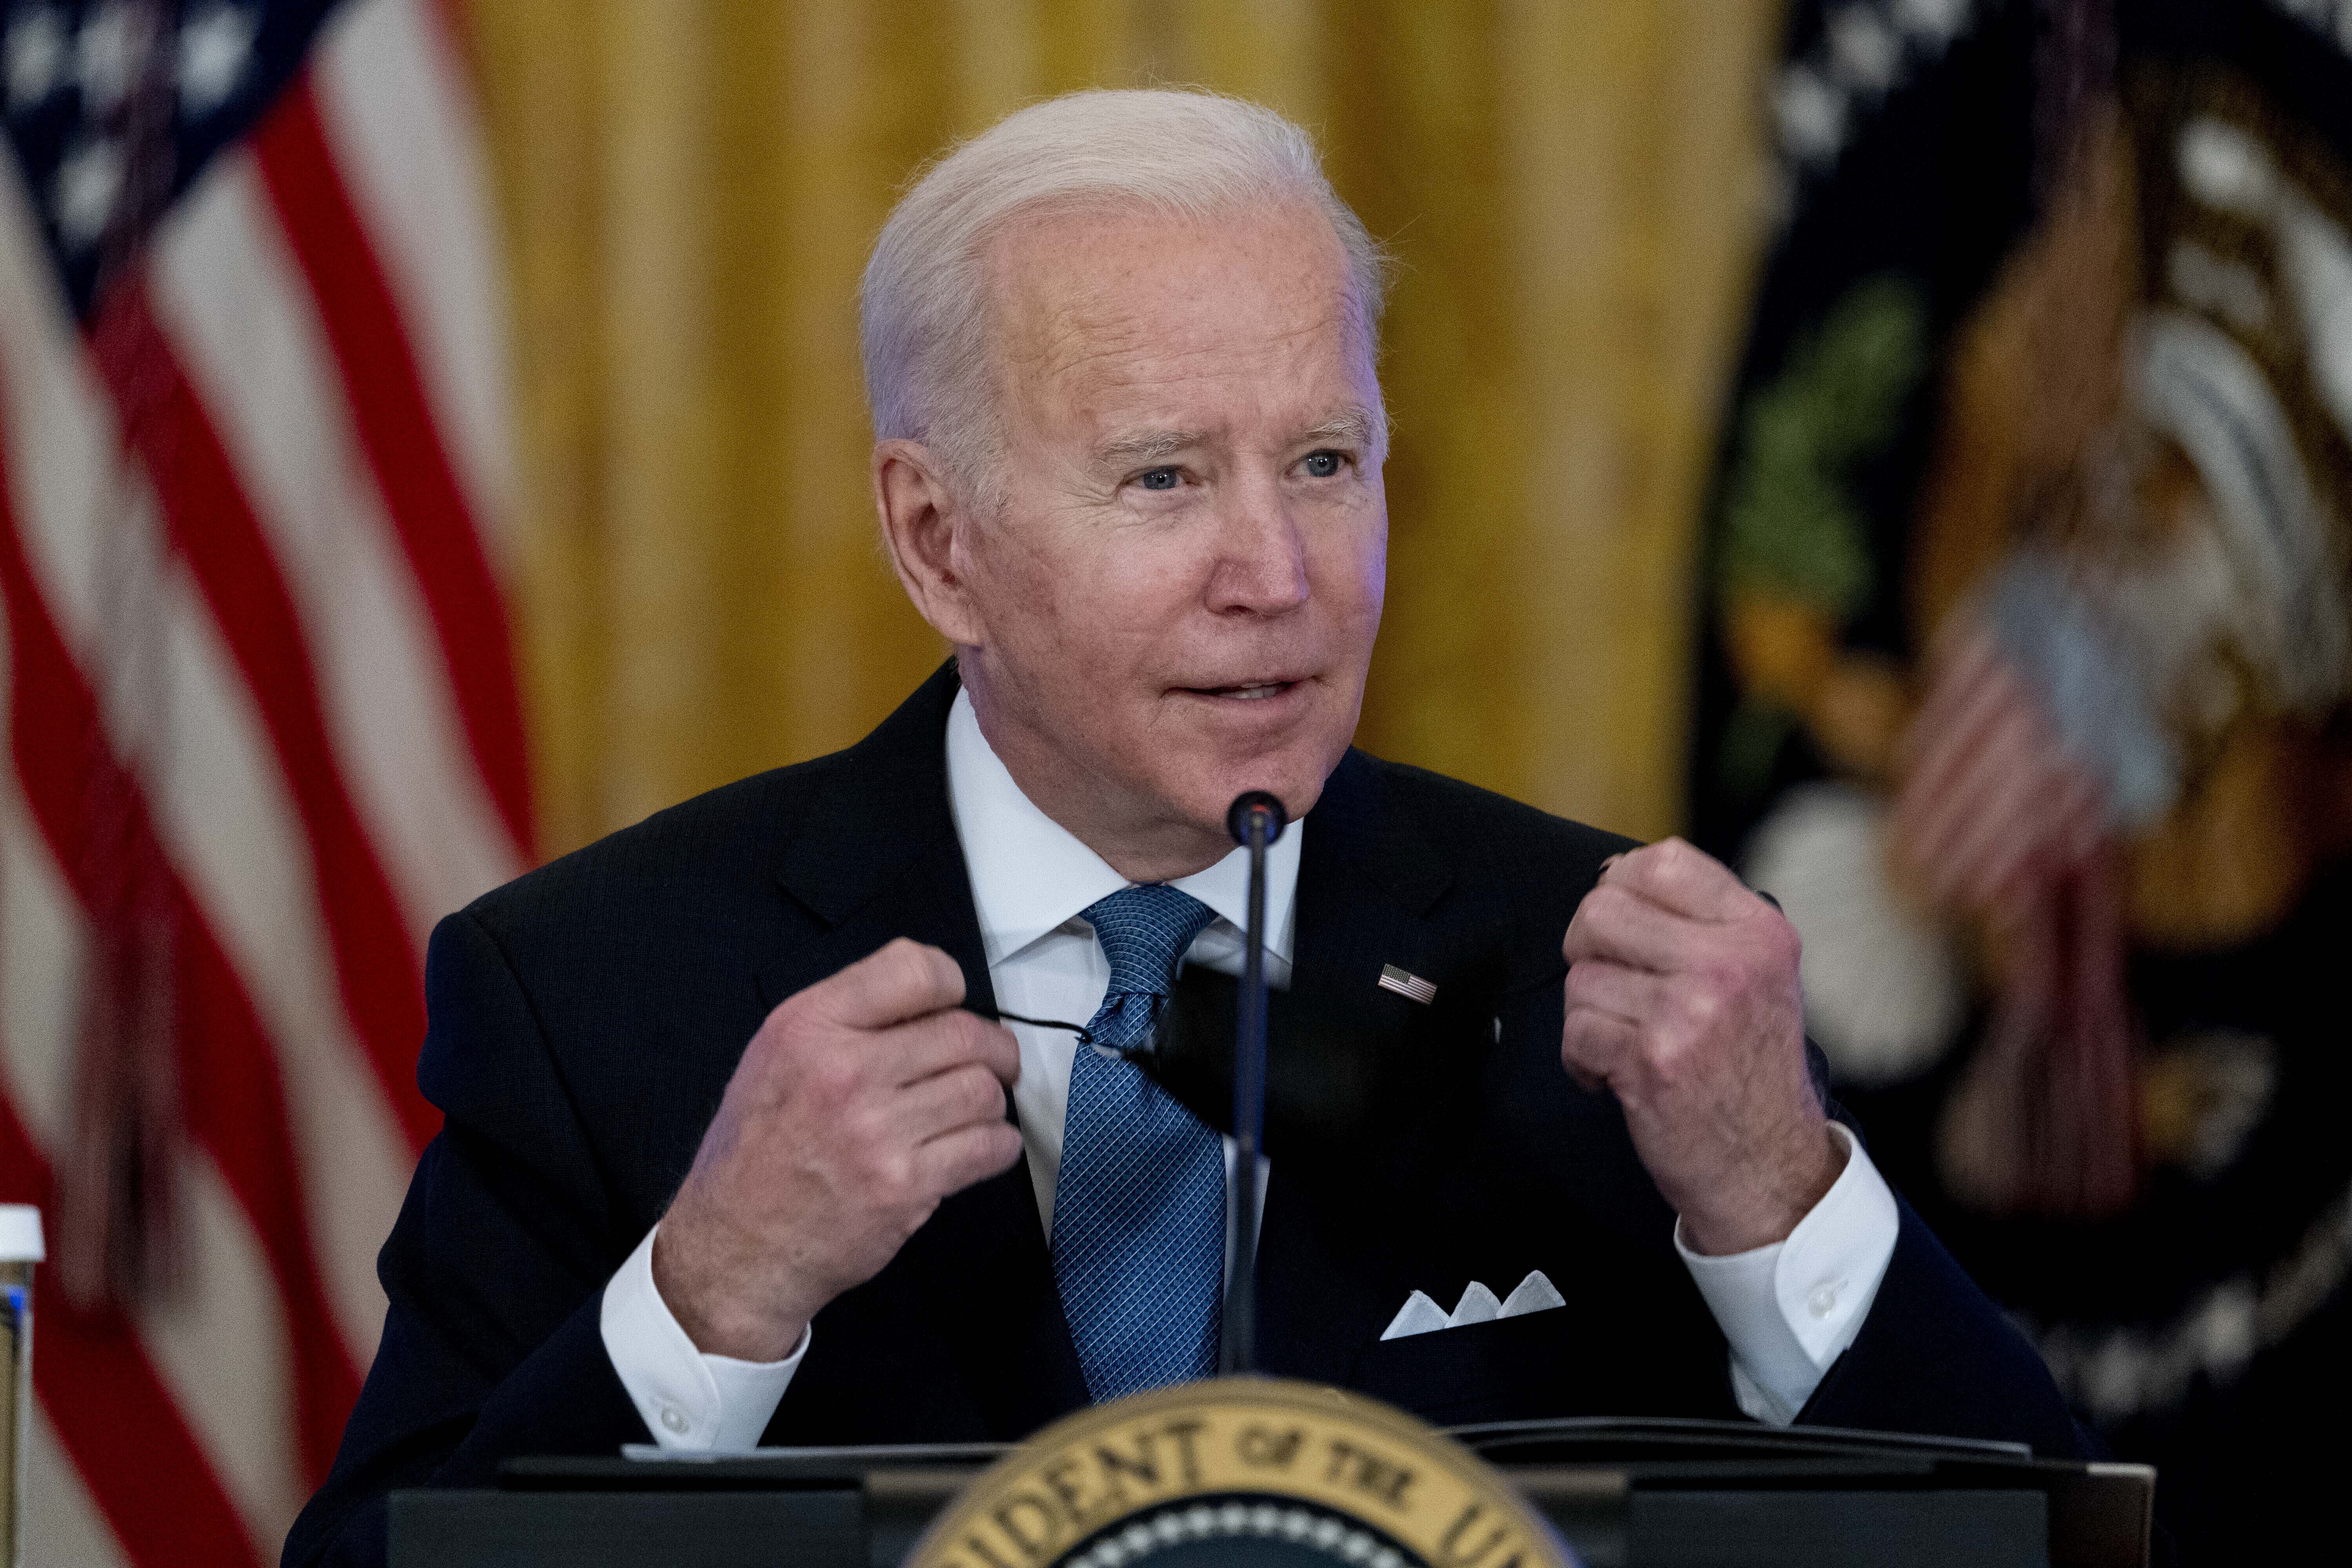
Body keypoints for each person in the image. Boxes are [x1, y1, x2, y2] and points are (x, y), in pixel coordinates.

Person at [284, 89, 2086, 1567]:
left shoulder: (1608, 981)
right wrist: (710, 1299)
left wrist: (1779, 1194)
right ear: (936, 541)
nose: (1278, 575)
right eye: (1163, 476)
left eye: (1325, 463)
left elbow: (2038, 1538)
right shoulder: (602, 994)